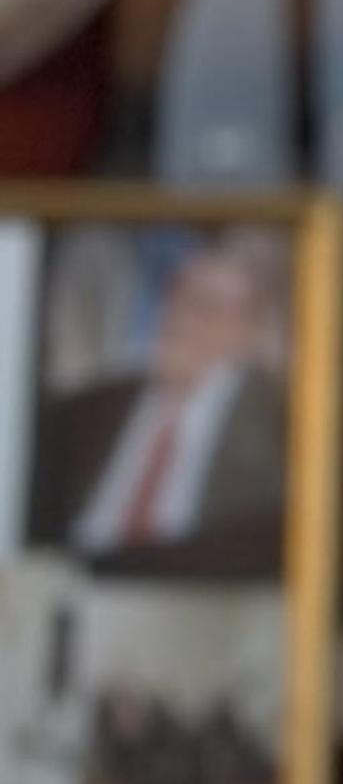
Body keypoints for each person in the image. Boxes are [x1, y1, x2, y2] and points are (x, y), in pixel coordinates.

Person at [31, 231, 291, 582]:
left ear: (251, 331)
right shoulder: (92, 407)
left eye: (208, 308)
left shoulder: (273, 422)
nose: (180, 320)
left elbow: (257, 538)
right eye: (176, 299)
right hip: (67, 587)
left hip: (193, 593)